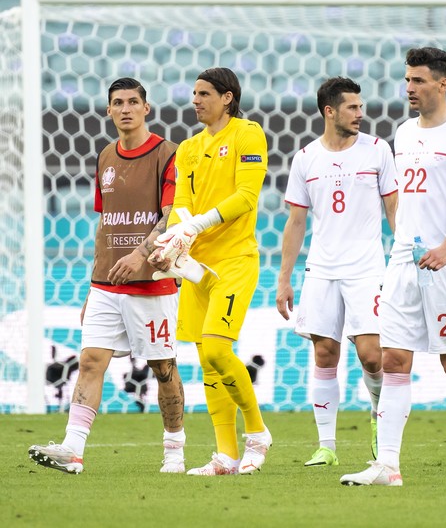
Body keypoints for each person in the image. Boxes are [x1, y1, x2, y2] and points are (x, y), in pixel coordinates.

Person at [340, 47, 446, 487]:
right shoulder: (403, 133)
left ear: (441, 84)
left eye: (418, 80)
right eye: (407, 79)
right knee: (392, 359)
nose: (408, 87)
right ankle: (387, 466)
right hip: (403, 263)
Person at [28, 77, 186, 474]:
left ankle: (174, 451)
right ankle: (72, 450)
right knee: (91, 360)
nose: (127, 108)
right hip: (106, 283)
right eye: (119, 102)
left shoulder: (169, 154)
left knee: (162, 367)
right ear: (109, 110)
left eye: (134, 101)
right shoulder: (104, 157)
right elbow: (105, 223)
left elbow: (171, 216)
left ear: (146, 109)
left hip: (152, 283)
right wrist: (92, 283)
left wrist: (140, 254)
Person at [149, 67, 271, 476]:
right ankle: (225, 455)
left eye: (204, 93)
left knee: (219, 349)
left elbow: (246, 196)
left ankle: (257, 432)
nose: (196, 100)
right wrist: (175, 241)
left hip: (235, 260)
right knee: (207, 361)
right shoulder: (187, 148)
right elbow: (182, 202)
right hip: (196, 266)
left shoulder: (248, 134)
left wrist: (196, 225)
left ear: (228, 97)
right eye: (194, 93)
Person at [276, 77, 398, 467]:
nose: (360, 114)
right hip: (322, 269)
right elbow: (296, 222)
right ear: (330, 111)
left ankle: (382, 423)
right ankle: (327, 445)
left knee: (372, 356)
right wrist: (284, 278)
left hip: (366, 268)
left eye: (361, 107)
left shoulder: (378, 151)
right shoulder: (306, 157)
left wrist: (402, 255)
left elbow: (394, 207)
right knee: (325, 352)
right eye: (352, 107)